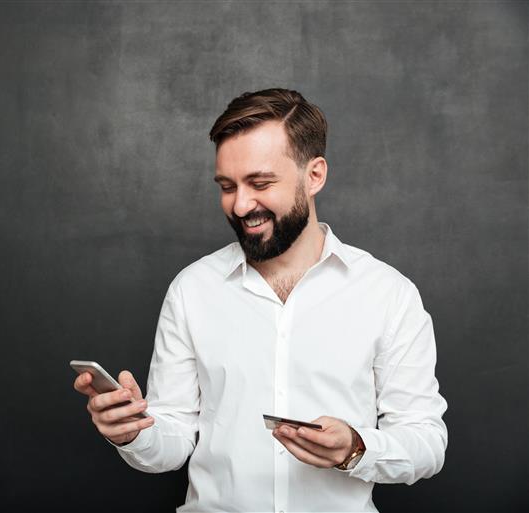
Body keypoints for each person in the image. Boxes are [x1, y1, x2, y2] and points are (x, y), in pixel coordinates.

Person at [72, 88, 448, 512]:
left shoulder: (388, 294)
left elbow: (427, 443)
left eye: (260, 182)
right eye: (227, 186)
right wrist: (132, 432)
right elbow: (174, 440)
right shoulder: (192, 290)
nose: (241, 204)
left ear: (315, 175)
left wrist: (356, 449)